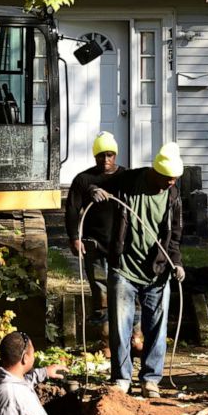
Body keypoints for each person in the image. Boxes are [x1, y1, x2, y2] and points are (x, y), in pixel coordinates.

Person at [93, 142, 185, 397]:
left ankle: (150, 379)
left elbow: (174, 236)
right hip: (124, 268)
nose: (170, 183)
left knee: (156, 327)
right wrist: (93, 190)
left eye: (175, 179)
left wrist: (176, 263)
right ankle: (122, 379)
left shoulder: (174, 195)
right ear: (155, 171)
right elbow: (90, 182)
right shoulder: (129, 180)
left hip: (157, 272)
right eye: (167, 178)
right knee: (121, 327)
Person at [65, 131, 136, 354]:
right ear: (94, 157)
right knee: (100, 291)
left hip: (122, 245)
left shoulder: (125, 177)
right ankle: (105, 341)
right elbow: (72, 211)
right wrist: (75, 238)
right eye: (100, 156)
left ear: (115, 154)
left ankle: (135, 336)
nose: (105, 161)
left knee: (127, 290)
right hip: (94, 245)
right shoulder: (83, 180)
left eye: (109, 155)